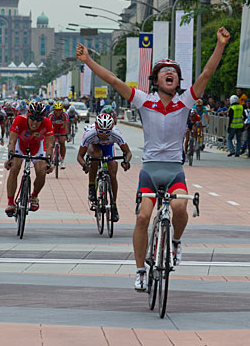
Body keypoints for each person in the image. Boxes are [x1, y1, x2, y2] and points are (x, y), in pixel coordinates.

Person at [76, 26, 230, 291]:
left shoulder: (185, 102)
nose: (169, 73)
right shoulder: (143, 100)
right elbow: (113, 80)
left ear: (178, 81)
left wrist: (221, 45)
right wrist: (88, 61)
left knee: (181, 208)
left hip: (174, 171)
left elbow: (206, 73)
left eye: (174, 72)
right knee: (142, 218)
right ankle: (140, 271)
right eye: (163, 71)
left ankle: (176, 243)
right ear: (155, 80)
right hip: (149, 171)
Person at [77, 113, 132, 222]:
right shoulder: (90, 134)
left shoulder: (116, 134)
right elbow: (79, 156)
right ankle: (92, 186)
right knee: (96, 156)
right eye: (101, 131)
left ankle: (114, 205)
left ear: (111, 129)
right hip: (94, 146)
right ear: (96, 128)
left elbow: (128, 152)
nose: (104, 135)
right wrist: (84, 165)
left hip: (108, 147)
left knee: (112, 174)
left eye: (107, 132)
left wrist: (126, 162)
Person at [4, 101, 55, 216]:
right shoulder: (19, 120)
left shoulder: (47, 123)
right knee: (14, 168)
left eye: (39, 119)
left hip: (37, 147)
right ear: (28, 115)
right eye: (32, 118)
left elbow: (50, 144)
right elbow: (12, 141)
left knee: (41, 171)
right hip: (21, 146)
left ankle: (34, 196)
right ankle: (11, 202)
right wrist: (10, 158)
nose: (35, 122)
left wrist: (49, 161)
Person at [48, 102, 71, 169]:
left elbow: (67, 125)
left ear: (62, 110)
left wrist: (67, 135)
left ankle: (62, 160)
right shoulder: (51, 115)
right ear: (54, 110)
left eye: (60, 110)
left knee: (62, 142)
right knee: (51, 144)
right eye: (56, 110)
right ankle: (50, 159)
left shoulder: (65, 115)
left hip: (62, 130)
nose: (58, 112)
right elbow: (48, 126)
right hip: (53, 130)